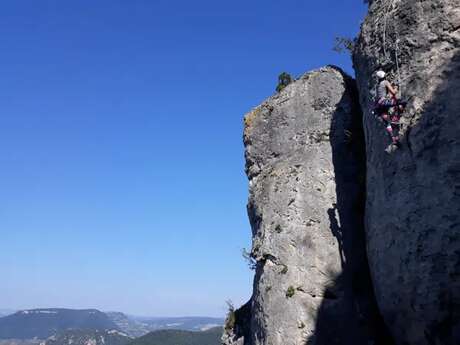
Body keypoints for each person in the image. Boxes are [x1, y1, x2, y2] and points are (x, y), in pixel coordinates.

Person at [374, 70, 405, 149]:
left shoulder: (378, 85)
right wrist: (396, 88)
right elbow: (393, 93)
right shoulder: (385, 82)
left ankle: (394, 140)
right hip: (384, 103)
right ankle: (399, 111)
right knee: (398, 102)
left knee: (387, 123)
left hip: (378, 106)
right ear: (384, 76)